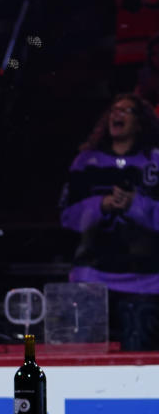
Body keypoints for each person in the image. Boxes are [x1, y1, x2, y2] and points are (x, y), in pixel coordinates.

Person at [60, 93, 159, 350]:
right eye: (115, 110)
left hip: (145, 282)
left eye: (127, 110)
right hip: (91, 277)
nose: (118, 114)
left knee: (138, 363)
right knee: (82, 361)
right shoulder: (85, 161)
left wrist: (135, 206)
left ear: (140, 122)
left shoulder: (155, 162)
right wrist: (101, 206)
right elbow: (67, 216)